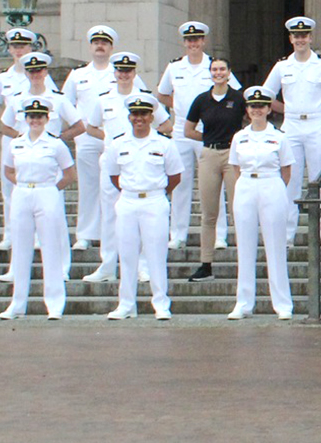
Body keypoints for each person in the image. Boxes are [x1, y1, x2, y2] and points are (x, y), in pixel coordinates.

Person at [262, 16, 321, 247]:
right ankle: (287, 235)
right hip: (291, 126)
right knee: (290, 181)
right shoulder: (282, 66)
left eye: (304, 35)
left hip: (315, 125)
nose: (300, 39)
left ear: (310, 37)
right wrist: (286, 110)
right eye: (296, 36)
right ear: (291, 38)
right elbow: (265, 96)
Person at [81, 52, 171, 284]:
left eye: (128, 71)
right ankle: (108, 265)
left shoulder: (145, 100)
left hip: (141, 163)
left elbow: (166, 124)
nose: (124, 75)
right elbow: (90, 127)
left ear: (134, 73)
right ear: (115, 73)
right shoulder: (104, 99)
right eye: (120, 71)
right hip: (113, 163)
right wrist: (111, 141)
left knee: (141, 215)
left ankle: (143, 266)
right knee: (110, 215)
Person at [0, 52, 82, 282]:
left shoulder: (58, 99)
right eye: (31, 71)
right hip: (25, 162)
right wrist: (21, 138)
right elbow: (4, 127)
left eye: (39, 70)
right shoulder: (17, 98)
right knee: (19, 223)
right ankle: (16, 269)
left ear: (45, 72)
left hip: (49, 165)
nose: (35, 75)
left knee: (56, 222)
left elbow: (79, 125)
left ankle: (62, 267)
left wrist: (58, 139)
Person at [157, 21, 239, 253]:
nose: (193, 44)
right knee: (180, 183)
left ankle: (220, 235)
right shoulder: (174, 68)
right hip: (183, 129)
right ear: (184, 43)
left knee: (216, 183)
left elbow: (235, 93)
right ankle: (178, 234)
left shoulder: (214, 66)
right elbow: (162, 94)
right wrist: (186, 108)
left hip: (211, 130)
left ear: (203, 41)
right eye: (189, 40)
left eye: (197, 39)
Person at [65, 25, 147, 252]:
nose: (100, 46)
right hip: (89, 137)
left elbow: (143, 100)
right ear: (90, 46)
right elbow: (66, 105)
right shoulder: (78, 75)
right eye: (96, 42)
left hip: (120, 140)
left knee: (119, 187)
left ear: (111, 47)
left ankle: (114, 233)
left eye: (104, 43)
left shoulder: (123, 72)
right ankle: (86, 233)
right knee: (89, 186)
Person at [103, 95, 184, 320]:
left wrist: (156, 193)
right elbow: (113, 175)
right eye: (135, 114)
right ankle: (126, 304)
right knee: (127, 255)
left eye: (144, 114)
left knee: (156, 254)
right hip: (128, 201)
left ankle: (160, 304)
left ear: (151, 117)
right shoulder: (118, 144)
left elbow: (175, 176)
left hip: (155, 200)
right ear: (129, 116)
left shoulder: (164, 143)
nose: (139, 118)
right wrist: (131, 191)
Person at [0, 99, 75, 320]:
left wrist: (51, 189)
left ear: (46, 118)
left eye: (39, 116)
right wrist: (24, 185)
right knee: (21, 248)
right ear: (26, 118)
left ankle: (54, 303)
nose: (35, 120)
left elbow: (69, 174)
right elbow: (8, 170)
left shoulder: (55, 144)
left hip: (46, 192)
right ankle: (17, 303)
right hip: (22, 192)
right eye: (31, 116)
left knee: (50, 248)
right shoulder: (16, 143)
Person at [228, 86, 296, 320]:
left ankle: (282, 303)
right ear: (247, 110)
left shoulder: (279, 137)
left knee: (275, 246)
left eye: (261, 106)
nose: (256, 110)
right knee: (245, 245)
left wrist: (273, 187)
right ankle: (244, 303)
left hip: (271, 184)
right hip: (246, 185)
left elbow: (287, 170)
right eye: (252, 106)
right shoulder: (240, 137)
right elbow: (236, 167)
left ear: (269, 109)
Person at [183, 56, 246, 282]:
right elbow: (188, 130)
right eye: (214, 69)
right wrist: (208, 138)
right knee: (209, 214)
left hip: (232, 155)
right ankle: (206, 264)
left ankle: (244, 263)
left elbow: (249, 122)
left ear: (229, 72)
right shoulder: (202, 100)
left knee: (237, 210)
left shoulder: (238, 98)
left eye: (222, 69)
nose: (218, 72)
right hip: (209, 155)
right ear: (210, 73)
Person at [0, 28, 54, 115]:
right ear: (9, 49)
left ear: (30, 48)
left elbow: (54, 100)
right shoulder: (2, 77)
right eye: (15, 47)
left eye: (22, 47)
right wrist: (8, 121)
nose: (18, 51)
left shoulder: (41, 76)